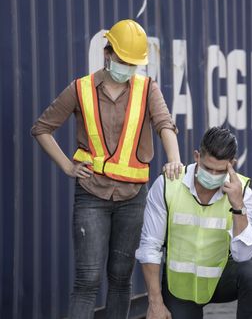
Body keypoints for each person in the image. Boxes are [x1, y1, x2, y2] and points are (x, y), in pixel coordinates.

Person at [31, 19, 183, 318]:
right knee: (87, 280)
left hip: (133, 197)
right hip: (92, 195)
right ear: (107, 53)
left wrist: (174, 157)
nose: (128, 68)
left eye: (134, 63)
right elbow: (41, 128)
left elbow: (165, 124)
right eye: (123, 60)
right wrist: (67, 165)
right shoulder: (81, 89)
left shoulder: (146, 88)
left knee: (120, 278)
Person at [135, 127, 252, 319]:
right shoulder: (168, 185)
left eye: (219, 171)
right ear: (197, 156)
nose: (212, 175)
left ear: (232, 164)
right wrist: (155, 303)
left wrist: (238, 206)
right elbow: (150, 247)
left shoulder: (242, 192)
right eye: (207, 168)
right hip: (180, 285)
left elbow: (243, 255)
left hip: (220, 279)